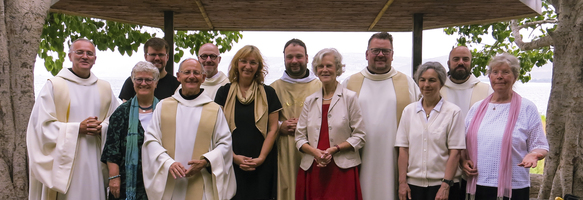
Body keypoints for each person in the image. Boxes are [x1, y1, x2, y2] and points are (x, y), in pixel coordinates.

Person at [27, 38, 119, 200]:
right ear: (70, 56)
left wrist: (103, 127)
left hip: (95, 160)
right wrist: (77, 129)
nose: (85, 56)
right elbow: (40, 126)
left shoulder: (104, 88)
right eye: (79, 52)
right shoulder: (54, 86)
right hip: (65, 164)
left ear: (95, 59)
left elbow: (116, 121)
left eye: (89, 53)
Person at [142, 58, 236, 200]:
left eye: (196, 73)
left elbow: (225, 144)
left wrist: (206, 161)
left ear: (203, 78)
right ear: (178, 77)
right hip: (170, 182)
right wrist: (169, 163)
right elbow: (151, 140)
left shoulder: (214, 109)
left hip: (202, 183)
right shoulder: (163, 106)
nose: (191, 76)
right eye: (187, 72)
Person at [343, 32, 421, 199]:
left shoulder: (407, 83)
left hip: (394, 158)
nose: (380, 55)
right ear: (366, 54)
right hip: (360, 156)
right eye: (375, 50)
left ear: (392, 55)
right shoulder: (349, 83)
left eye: (385, 51)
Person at [461, 53, 549, 200]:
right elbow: (461, 143)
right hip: (476, 184)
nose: (499, 76)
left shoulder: (527, 108)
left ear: (515, 77)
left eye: (505, 72)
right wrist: (462, 161)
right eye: (495, 72)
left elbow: (540, 145)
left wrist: (533, 155)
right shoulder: (476, 108)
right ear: (489, 77)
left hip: (513, 187)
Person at [295, 48, 366, 200]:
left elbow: (360, 136)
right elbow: (299, 137)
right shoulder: (310, 101)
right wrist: (315, 153)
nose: (324, 70)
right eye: (320, 66)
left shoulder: (350, 98)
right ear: (316, 70)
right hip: (313, 168)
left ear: (338, 69)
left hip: (342, 170)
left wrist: (334, 149)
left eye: (329, 66)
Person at [214, 45, 282, 200]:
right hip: (231, 161)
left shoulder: (269, 93)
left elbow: (273, 129)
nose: (248, 66)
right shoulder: (223, 92)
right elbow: (216, 129)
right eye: (243, 61)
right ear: (237, 64)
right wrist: (233, 157)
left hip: (262, 163)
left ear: (258, 67)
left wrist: (261, 158)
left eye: (253, 62)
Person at [395, 62, 465, 200]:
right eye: (422, 80)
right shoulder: (409, 111)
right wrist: (402, 183)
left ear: (441, 83)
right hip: (413, 187)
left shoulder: (453, 112)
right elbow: (403, 149)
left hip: (444, 186)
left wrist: (445, 186)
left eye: (432, 80)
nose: (426, 85)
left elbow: (455, 152)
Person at [270, 38, 322, 200]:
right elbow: (261, 122)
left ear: (307, 58)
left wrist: (307, 124)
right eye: (289, 57)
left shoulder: (320, 86)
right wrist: (280, 126)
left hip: (313, 147)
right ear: (284, 58)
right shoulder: (273, 88)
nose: (294, 61)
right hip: (284, 148)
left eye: (299, 56)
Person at [101, 61, 160, 200]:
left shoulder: (164, 110)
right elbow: (112, 149)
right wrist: (114, 178)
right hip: (127, 183)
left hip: (158, 179)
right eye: (139, 79)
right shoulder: (121, 112)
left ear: (156, 83)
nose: (143, 83)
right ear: (133, 82)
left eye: (148, 79)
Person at [440, 46, 493, 120]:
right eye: (456, 59)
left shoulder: (487, 91)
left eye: (465, 59)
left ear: (471, 63)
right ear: (448, 63)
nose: (461, 62)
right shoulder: (438, 90)